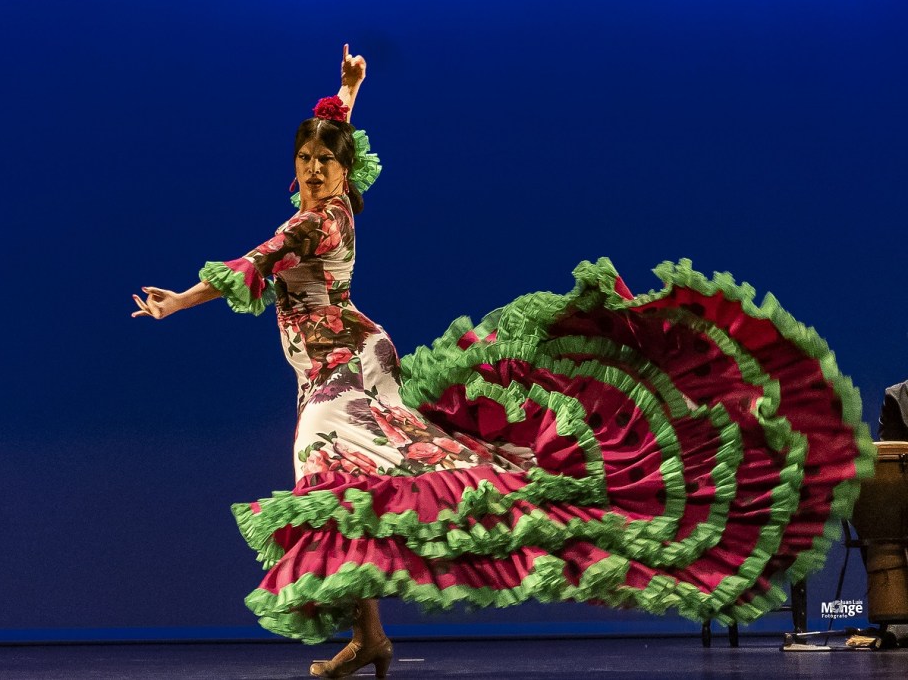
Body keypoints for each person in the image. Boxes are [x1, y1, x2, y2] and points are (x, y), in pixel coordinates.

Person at [134, 46, 875, 679]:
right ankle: (370, 636)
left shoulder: (311, 222)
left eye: (325, 163)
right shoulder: (336, 202)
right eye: (304, 160)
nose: (313, 169)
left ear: (341, 173)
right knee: (351, 487)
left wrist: (176, 303)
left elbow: (252, 266)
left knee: (334, 481)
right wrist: (350, 96)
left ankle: (372, 632)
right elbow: (335, 143)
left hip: (344, 370)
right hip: (337, 363)